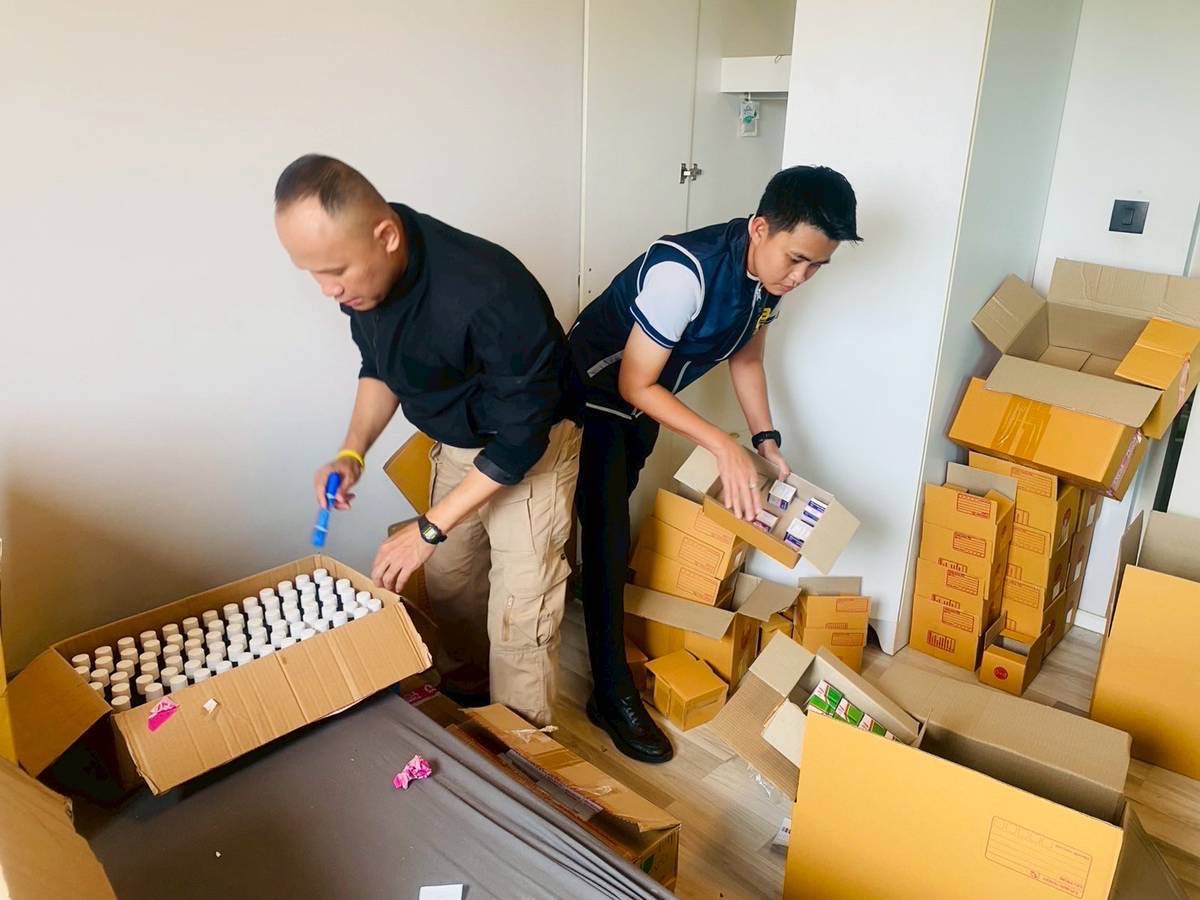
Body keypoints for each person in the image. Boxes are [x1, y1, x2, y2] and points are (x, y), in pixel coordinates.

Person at [273, 154, 579, 727]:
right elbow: (380, 367)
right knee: (452, 585)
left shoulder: (487, 290)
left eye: (334, 271)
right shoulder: (365, 286)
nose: (327, 290)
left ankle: (523, 750)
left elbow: (522, 438)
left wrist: (430, 528)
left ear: (386, 236)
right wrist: (352, 451)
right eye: (311, 273)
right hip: (462, 443)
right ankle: (468, 710)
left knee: (520, 613)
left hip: (531, 448)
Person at [567, 165, 861, 762]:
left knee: (607, 528)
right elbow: (632, 381)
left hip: (644, 405)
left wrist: (764, 439)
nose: (800, 277)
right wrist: (720, 446)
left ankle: (593, 612)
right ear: (760, 228)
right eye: (797, 260)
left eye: (816, 267)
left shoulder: (765, 281)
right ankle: (610, 694)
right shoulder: (685, 272)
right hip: (589, 399)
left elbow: (745, 357)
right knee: (607, 537)